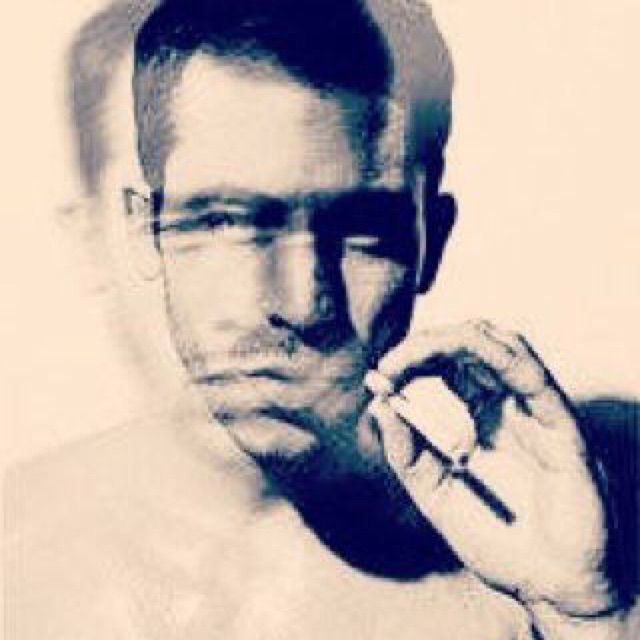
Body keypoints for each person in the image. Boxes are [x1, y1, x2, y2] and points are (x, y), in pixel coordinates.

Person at [4, 1, 638, 638]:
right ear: (96, 236)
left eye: (362, 228)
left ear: (431, 242)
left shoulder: (559, 560)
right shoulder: (19, 557)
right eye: (216, 221)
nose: (300, 305)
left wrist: (589, 617)